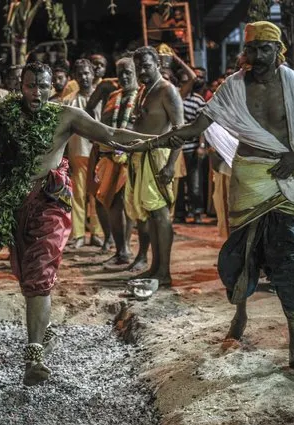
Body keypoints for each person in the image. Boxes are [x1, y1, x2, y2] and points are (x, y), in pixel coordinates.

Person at [126, 21, 294, 368]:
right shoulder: (233, 88)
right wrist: (155, 141)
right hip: (247, 179)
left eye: (263, 49)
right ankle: (240, 313)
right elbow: (196, 127)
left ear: (278, 50)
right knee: (243, 252)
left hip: (284, 182)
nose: (255, 56)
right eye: (250, 49)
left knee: (290, 255)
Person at [0, 62, 151, 386]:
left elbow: (111, 134)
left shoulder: (66, 116)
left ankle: (33, 357)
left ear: (53, 87)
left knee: (38, 275)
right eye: (30, 85)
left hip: (50, 203)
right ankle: (43, 326)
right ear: (20, 86)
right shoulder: (7, 113)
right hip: (15, 204)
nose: (36, 92)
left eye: (43, 86)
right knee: (26, 277)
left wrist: (158, 140)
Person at [123, 46, 184, 284]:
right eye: (138, 67)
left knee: (161, 215)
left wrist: (170, 166)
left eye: (147, 66)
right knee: (148, 216)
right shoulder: (144, 90)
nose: (142, 70)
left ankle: (164, 272)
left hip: (158, 157)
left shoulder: (167, 90)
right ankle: (156, 267)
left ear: (157, 64)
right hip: (141, 157)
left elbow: (180, 131)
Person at [88, 57, 140, 263]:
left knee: (121, 205)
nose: (124, 77)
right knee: (107, 202)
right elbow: (98, 116)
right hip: (106, 155)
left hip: (130, 158)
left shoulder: (142, 96)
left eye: (128, 72)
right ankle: (120, 250)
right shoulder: (113, 95)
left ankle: (124, 251)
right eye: (120, 73)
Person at [63, 59, 103, 248]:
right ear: (75, 77)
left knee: (98, 196)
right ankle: (78, 235)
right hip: (78, 154)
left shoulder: (104, 98)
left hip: (101, 156)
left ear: (93, 74)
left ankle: (97, 233)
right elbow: (62, 133)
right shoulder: (69, 101)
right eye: (80, 74)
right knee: (77, 195)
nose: (84, 77)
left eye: (87, 73)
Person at [176, 71, 207, 224]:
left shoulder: (198, 100)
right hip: (176, 148)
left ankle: (197, 212)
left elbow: (203, 125)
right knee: (178, 184)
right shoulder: (174, 97)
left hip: (191, 147)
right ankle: (179, 213)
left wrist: (201, 145)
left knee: (194, 182)